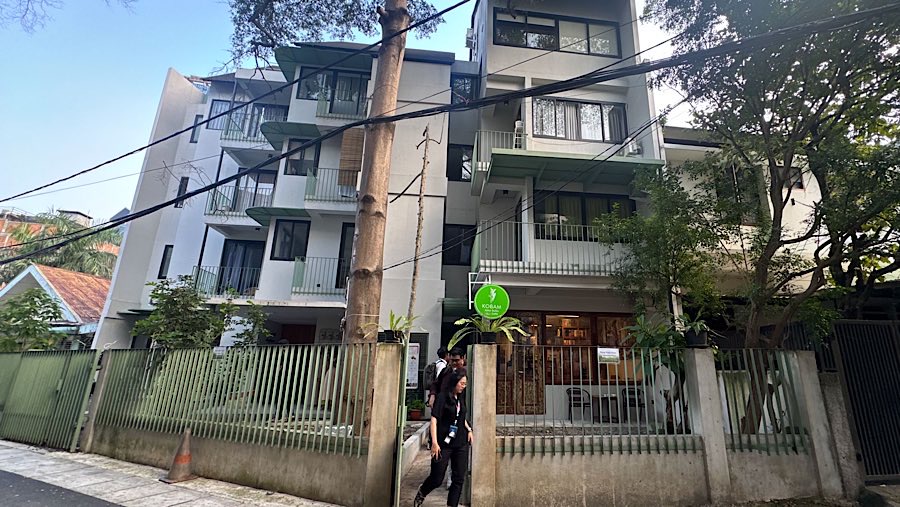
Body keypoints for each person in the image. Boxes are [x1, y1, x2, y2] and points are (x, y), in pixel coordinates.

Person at [414, 368, 472, 507]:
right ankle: (422, 492)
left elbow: (461, 416)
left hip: (461, 442)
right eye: (462, 383)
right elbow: (434, 420)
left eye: (465, 384)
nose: (464, 386)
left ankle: (452, 505)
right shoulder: (442, 397)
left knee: (458, 478)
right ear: (454, 382)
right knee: (437, 478)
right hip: (443, 443)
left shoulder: (461, 396)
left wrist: (469, 429)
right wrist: (434, 442)